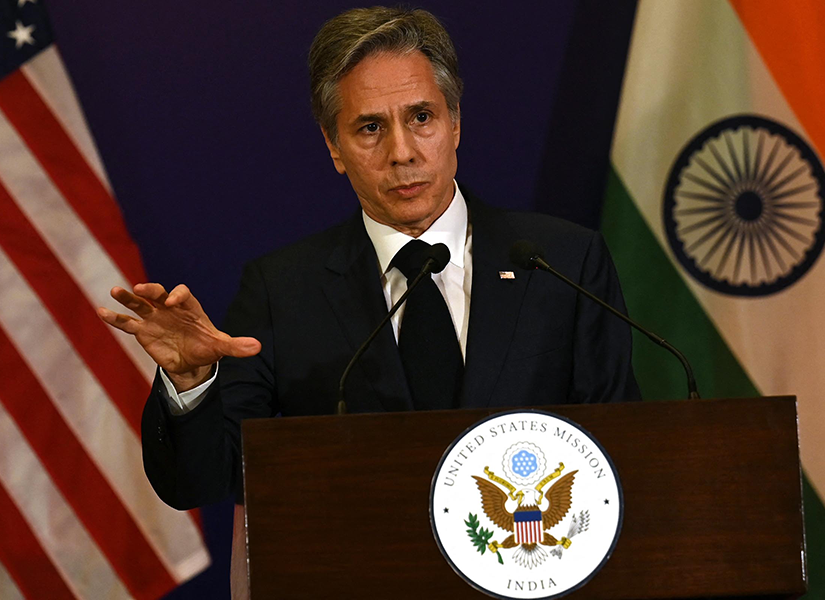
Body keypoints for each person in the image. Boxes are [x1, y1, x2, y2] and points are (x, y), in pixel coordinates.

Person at [98, 7, 640, 510]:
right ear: (334, 146)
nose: (402, 152)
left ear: (456, 123)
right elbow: (206, 482)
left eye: (421, 117)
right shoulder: (283, 290)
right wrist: (193, 383)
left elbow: (621, 453)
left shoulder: (564, 263)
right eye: (371, 128)